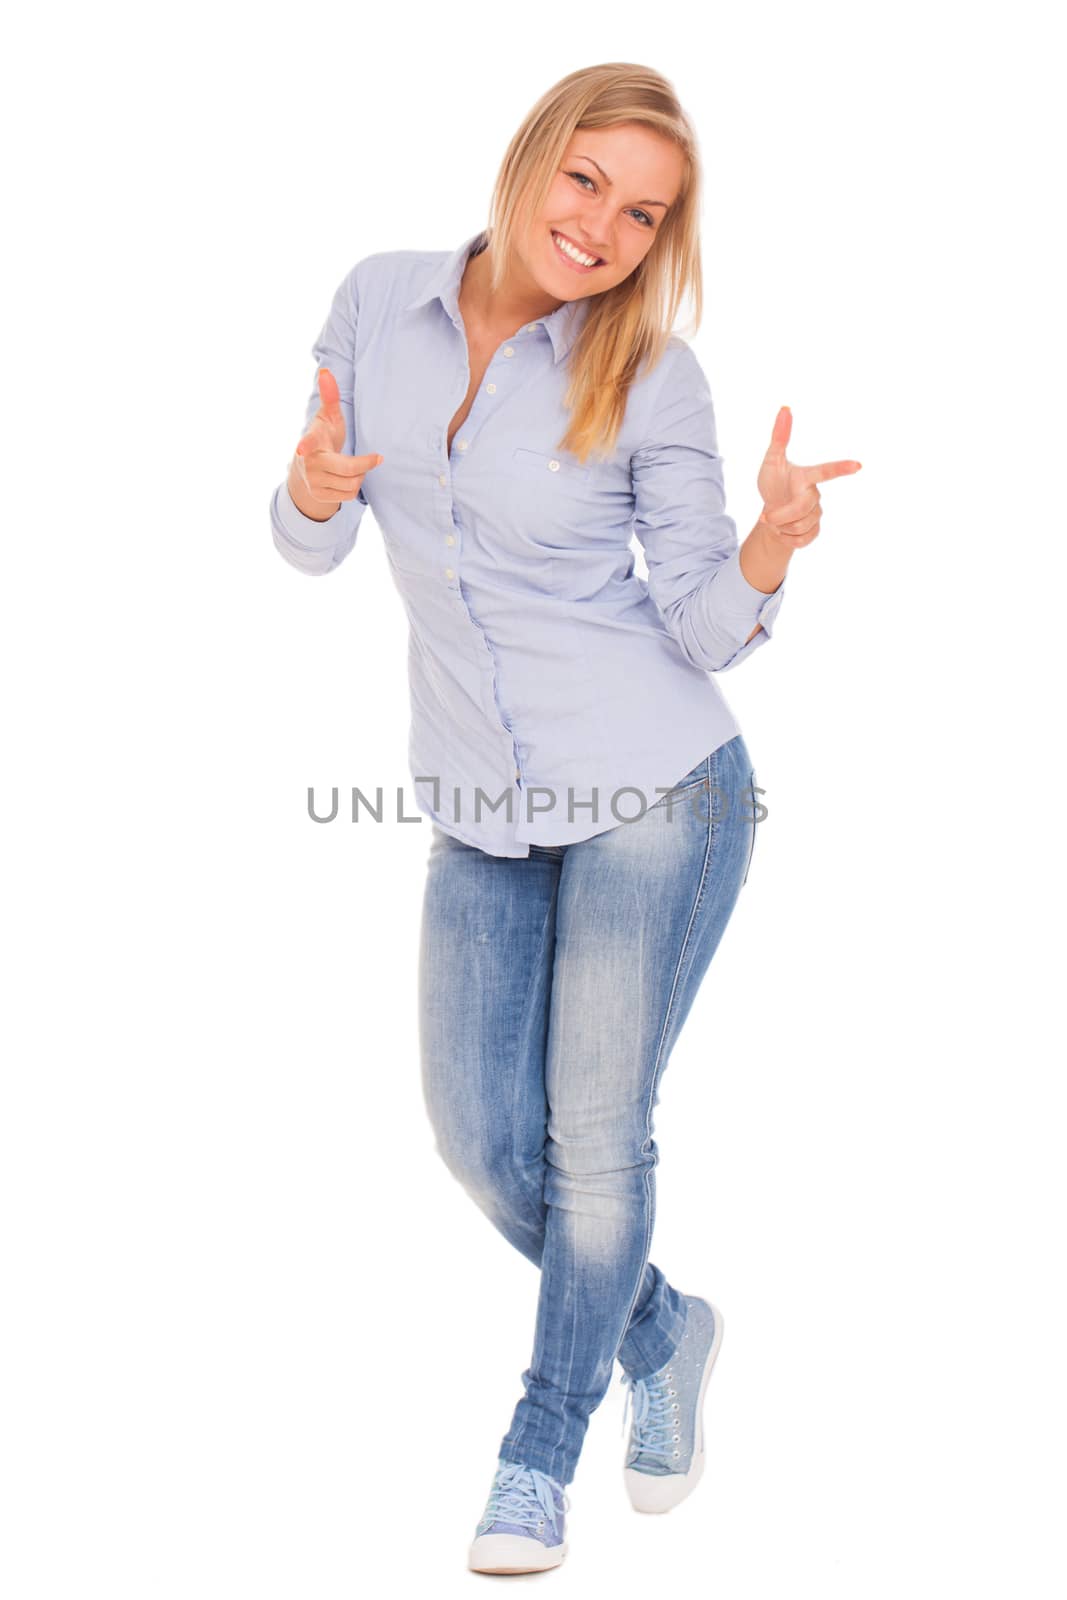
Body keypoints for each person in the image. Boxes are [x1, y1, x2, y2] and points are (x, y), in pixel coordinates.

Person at [270, 61, 861, 1576]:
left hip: (659, 791)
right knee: (482, 1145)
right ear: (533, 157)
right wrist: (311, 491)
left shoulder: (652, 373)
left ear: (665, 237)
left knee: (593, 1140)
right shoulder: (376, 301)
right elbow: (308, 542)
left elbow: (709, 628)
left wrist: (772, 545)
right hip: (478, 801)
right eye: (585, 180)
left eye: (642, 210)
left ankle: (540, 1447)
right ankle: (667, 1325)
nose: (602, 226)